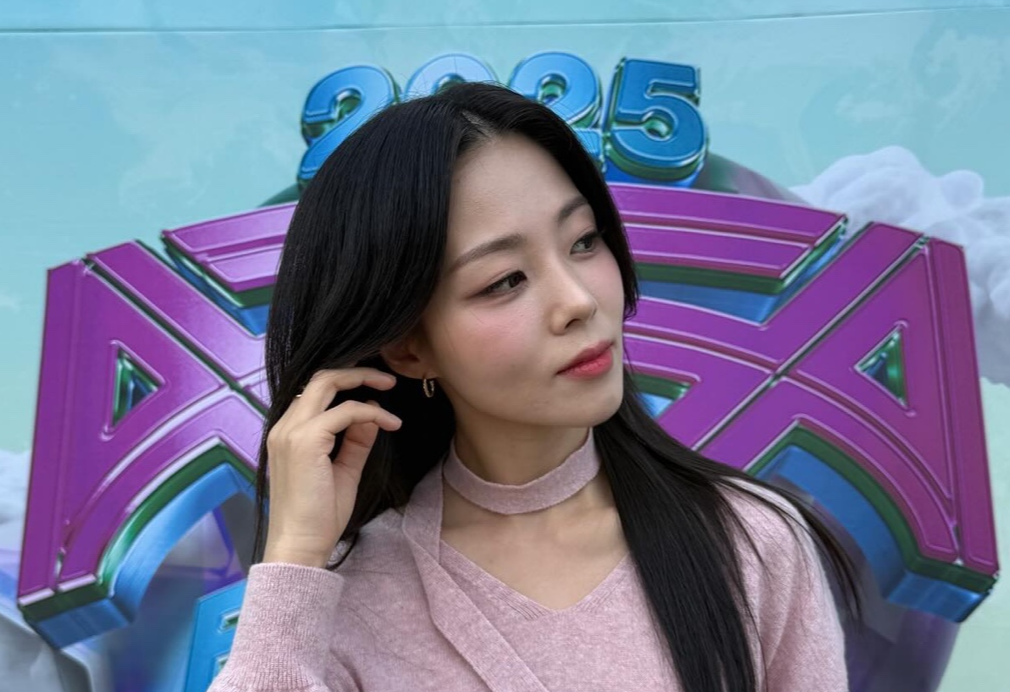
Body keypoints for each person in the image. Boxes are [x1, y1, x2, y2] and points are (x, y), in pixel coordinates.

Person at [207, 82, 859, 692]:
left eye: (584, 241)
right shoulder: (340, 602)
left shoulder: (751, 542)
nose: (578, 301)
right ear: (409, 347)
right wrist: (293, 557)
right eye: (505, 280)